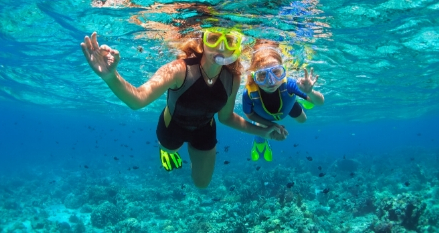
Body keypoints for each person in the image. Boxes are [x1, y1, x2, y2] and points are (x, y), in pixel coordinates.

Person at [81, 29, 287, 188]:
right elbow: (138, 100)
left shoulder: (233, 78)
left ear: (235, 47)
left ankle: (183, 156)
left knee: (202, 184)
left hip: (205, 129)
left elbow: (226, 118)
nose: (221, 47)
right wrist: (110, 76)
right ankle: (166, 150)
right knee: (170, 149)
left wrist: (264, 131)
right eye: (214, 38)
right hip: (172, 126)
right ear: (203, 41)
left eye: (229, 41)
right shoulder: (179, 69)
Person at [242, 40, 324, 162]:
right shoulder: (249, 94)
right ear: (254, 77)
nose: (271, 81)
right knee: (261, 131)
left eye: (276, 72)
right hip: (264, 117)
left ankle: (301, 98)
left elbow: (319, 102)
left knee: (303, 120)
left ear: (283, 71)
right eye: (262, 75)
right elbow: (249, 115)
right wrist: (272, 125)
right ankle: (260, 144)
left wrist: (309, 92)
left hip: (288, 105)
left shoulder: (289, 84)